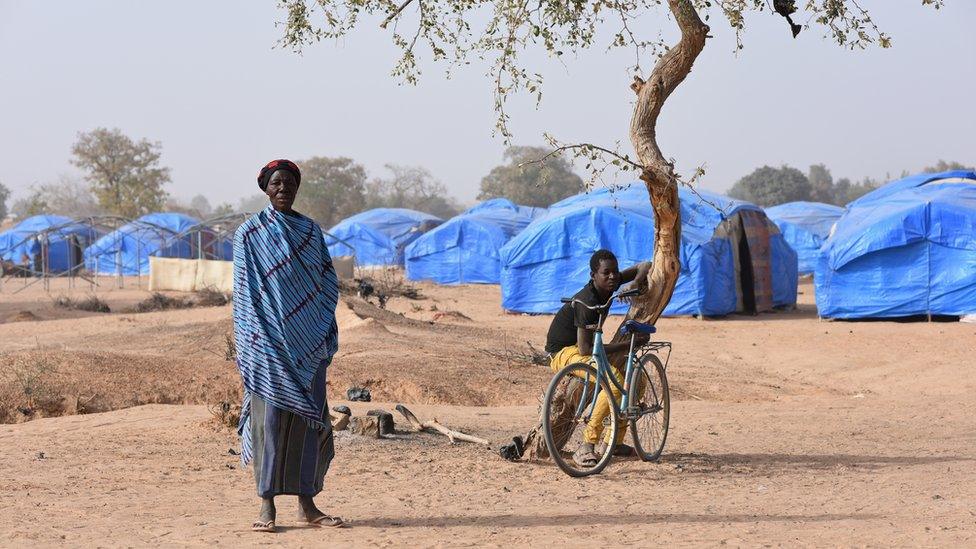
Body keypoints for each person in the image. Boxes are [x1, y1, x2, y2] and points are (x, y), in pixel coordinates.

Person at [233, 159, 343, 533]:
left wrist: (321, 331)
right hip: (266, 349)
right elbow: (245, 296)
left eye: (289, 183)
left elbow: (327, 284)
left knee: (307, 424)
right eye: (276, 183)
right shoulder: (248, 235)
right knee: (269, 425)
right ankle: (266, 505)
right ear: (265, 188)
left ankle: (307, 504)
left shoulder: (310, 233)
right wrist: (254, 341)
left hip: (307, 349)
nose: (283, 188)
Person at [543, 249, 651, 467]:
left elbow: (645, 264)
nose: (612, 277)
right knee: (615, 384)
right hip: (564, 351)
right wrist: (627, 344)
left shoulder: (612, 281)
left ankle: (614, 441)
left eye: (615, 272)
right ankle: (587, 445)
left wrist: (634, 283)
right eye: (606, 273)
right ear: (593, 275)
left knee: (635, 382)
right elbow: (585, 349)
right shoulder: (586, 301)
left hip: (584, 347)